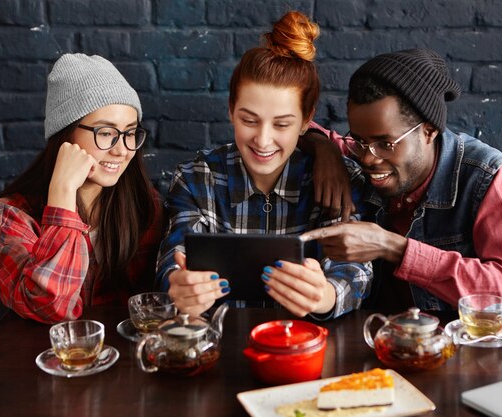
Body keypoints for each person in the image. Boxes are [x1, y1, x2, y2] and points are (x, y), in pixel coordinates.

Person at [156, 11, 372, 320]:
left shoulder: (339, 180)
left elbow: (355, 271)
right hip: (217, 348)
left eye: (282, 124)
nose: (263, 140)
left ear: (306, 120)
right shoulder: (196, 178)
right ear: (231, 110)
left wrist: (324, 295)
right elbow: (173, 258)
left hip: (306, 350)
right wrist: (178, 285)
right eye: (249, 120)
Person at [301, 48, 502, 317]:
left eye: (385, 144)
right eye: (360, 141)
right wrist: (324, 150)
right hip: (374, 338)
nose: (367, 158)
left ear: (429, 131)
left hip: (454, 344)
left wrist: (393, 247)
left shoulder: (485, 174)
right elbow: (295, 126)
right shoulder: (357, 153)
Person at [0, 54, 165, 324]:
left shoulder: (145, 205)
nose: (121, 150)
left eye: (130, 132)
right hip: (45, 360)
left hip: (125, 358)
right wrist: (63, 194)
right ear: (65, 135)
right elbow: (50, 308)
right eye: (105, 132)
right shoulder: (9, 217)